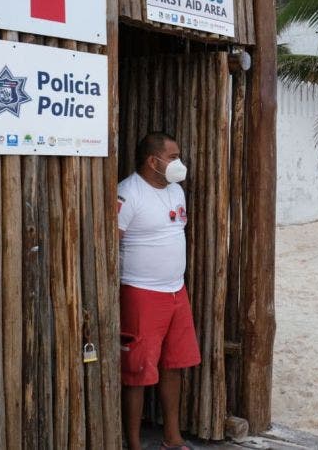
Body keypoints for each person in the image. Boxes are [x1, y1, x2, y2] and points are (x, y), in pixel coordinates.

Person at [118, 132, 201, 450]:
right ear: (153, 161)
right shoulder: (128, 194)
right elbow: (113, 240)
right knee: (137, 370)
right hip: (141, 293)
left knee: (174, 364)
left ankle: (172, 438)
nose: (179, 163)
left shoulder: (176, 192)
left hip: (176, 293)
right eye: (172, 157)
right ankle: (135, 443)